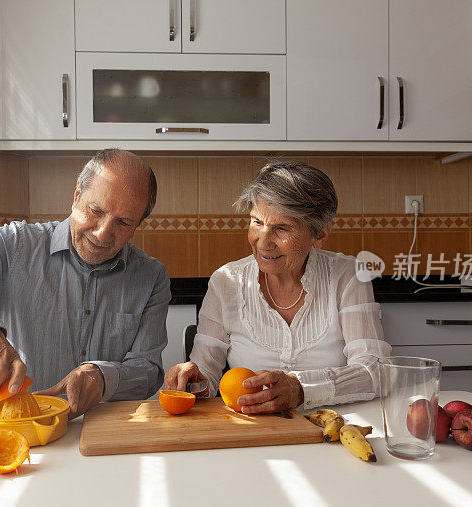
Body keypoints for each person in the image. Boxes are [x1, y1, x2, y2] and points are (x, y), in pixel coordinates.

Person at [0, 149, 170, 418]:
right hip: (20, 431)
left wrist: (103, 377)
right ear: (77, 196)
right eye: (95, 210)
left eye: (123, 222)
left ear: (137, 225)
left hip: (106, 435)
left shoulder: (152, 277)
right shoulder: (13, 245)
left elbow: (147, 370)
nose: (102, 233)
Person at [165, 161, 391, 414]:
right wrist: (194, 380)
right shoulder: (226, 281)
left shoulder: (348, 276)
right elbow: (206, 371)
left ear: (321, 233)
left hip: (335, 427)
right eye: (257, 222)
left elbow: (376, 370)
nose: (263, 243)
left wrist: (301, 388)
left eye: (282, 228)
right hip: (254, 432)